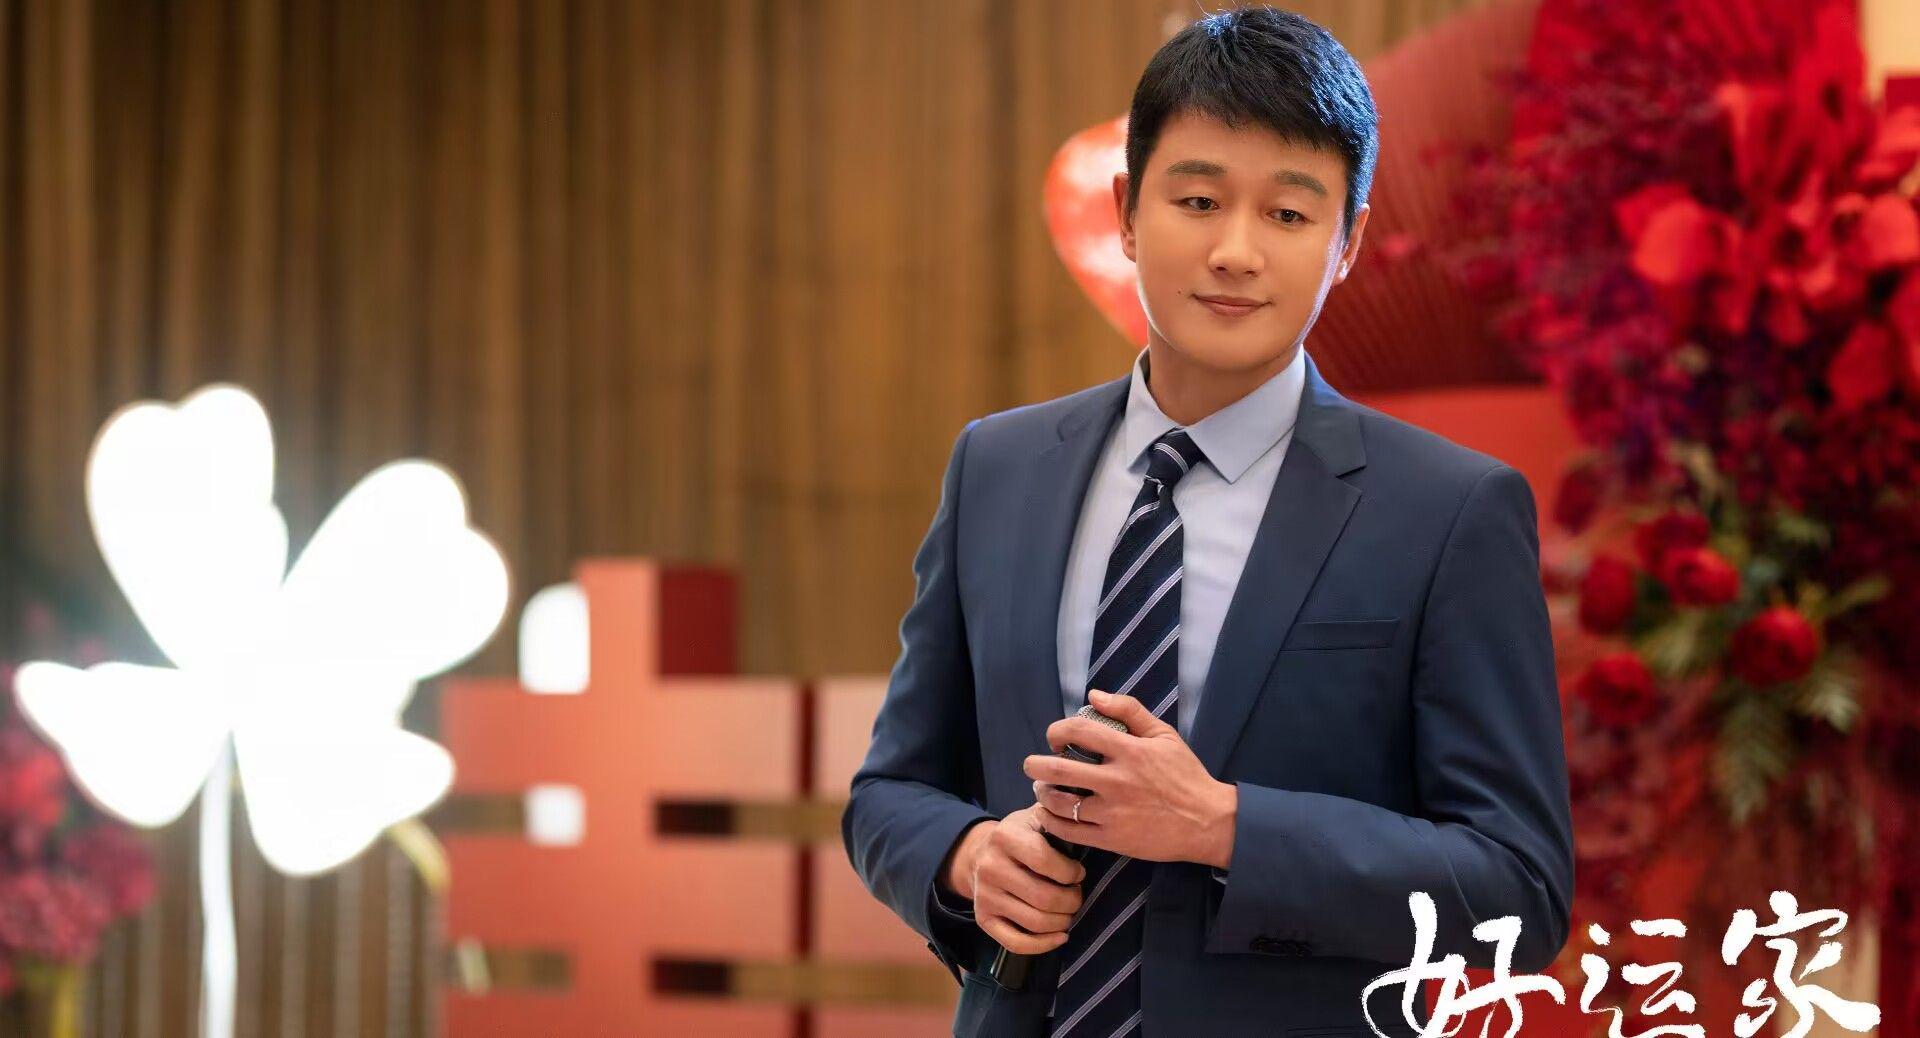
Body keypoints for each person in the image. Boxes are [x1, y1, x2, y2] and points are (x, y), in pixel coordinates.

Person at [841, 7, 1574, 1035]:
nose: (1235, 252)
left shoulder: (1450, 511)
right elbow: (890, 791)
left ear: (1349, 244)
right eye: (1197, 200)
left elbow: (1519, 889)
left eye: (1289, 214)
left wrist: (1222, 826)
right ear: (1127, 212)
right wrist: (966, 858)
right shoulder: (997, 468)